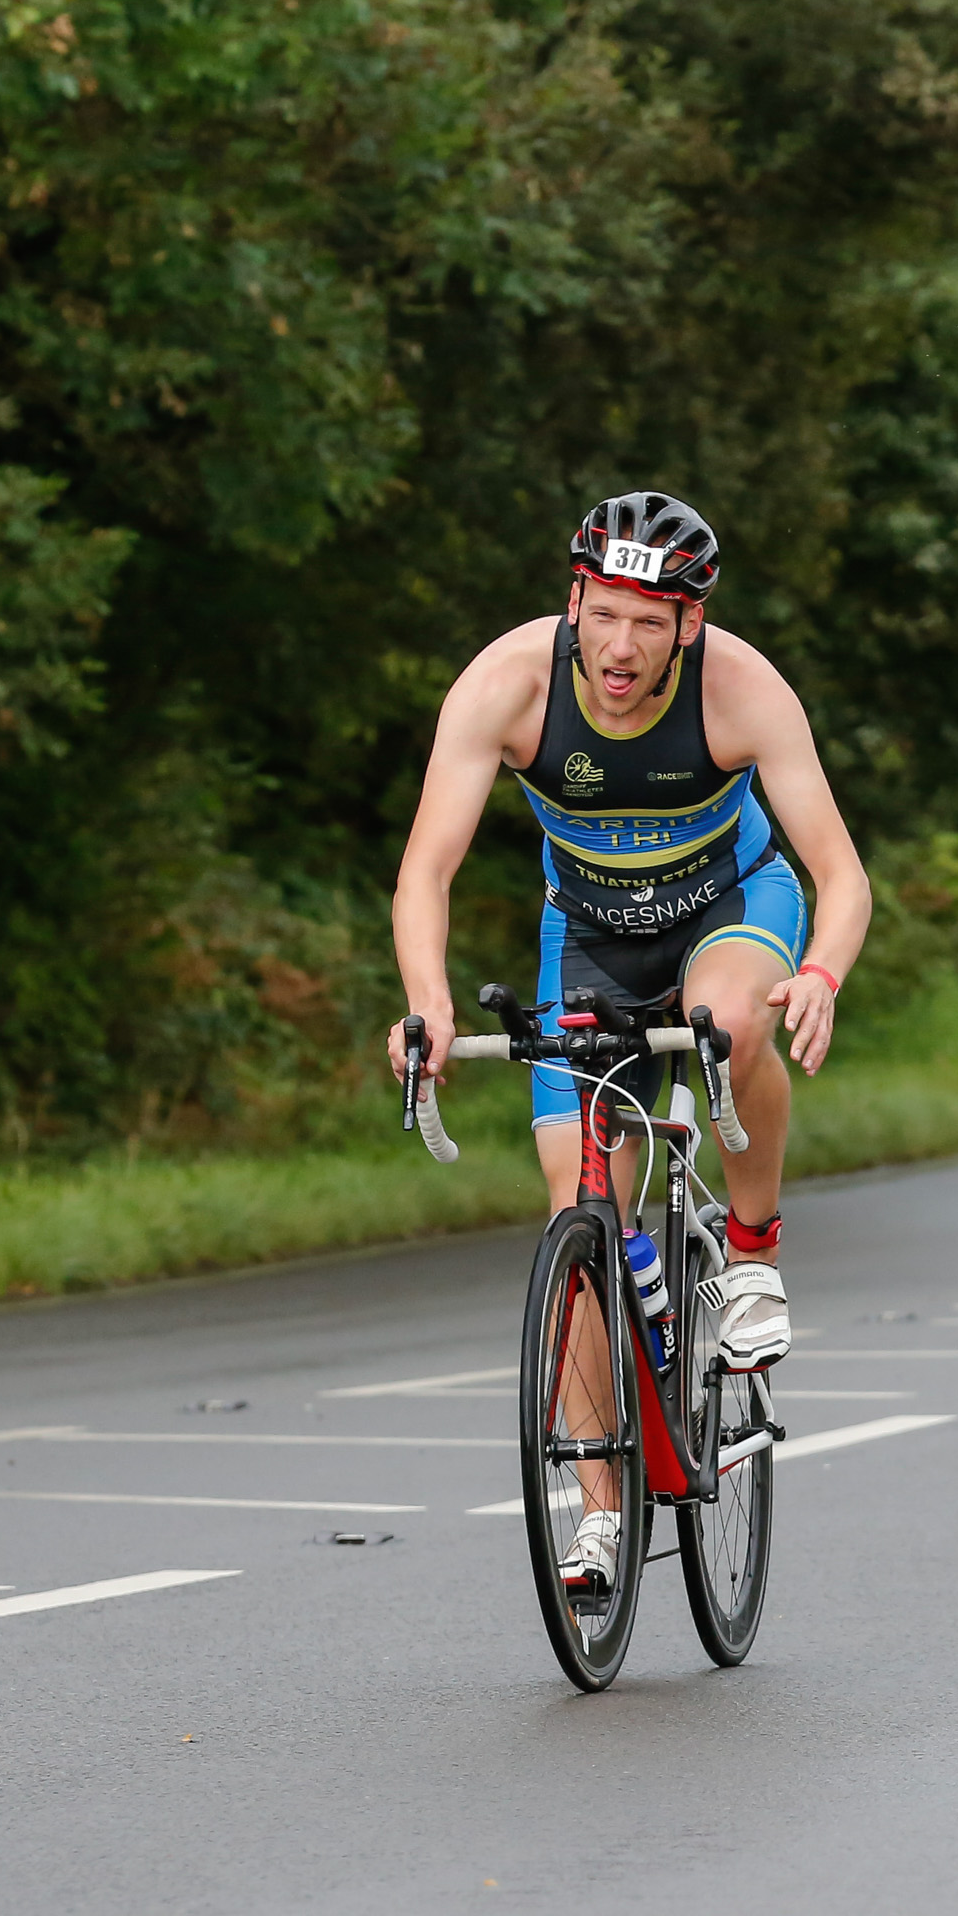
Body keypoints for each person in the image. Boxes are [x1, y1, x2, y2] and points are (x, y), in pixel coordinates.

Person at [386, 491, 873, 1596]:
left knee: (731, 1022)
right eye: (603, 614)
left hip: (730, 909)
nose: (620, 646)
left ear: (688, 627)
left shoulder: (742, 691)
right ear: (573, 604)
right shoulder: (505, 685)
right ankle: (600, 1513)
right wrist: (429, 1003)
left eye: (650, 622)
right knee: (578, 1215)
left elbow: (840, 874)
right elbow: (426, 870)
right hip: (591, 934)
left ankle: (749, 1254)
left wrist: (822, 976)